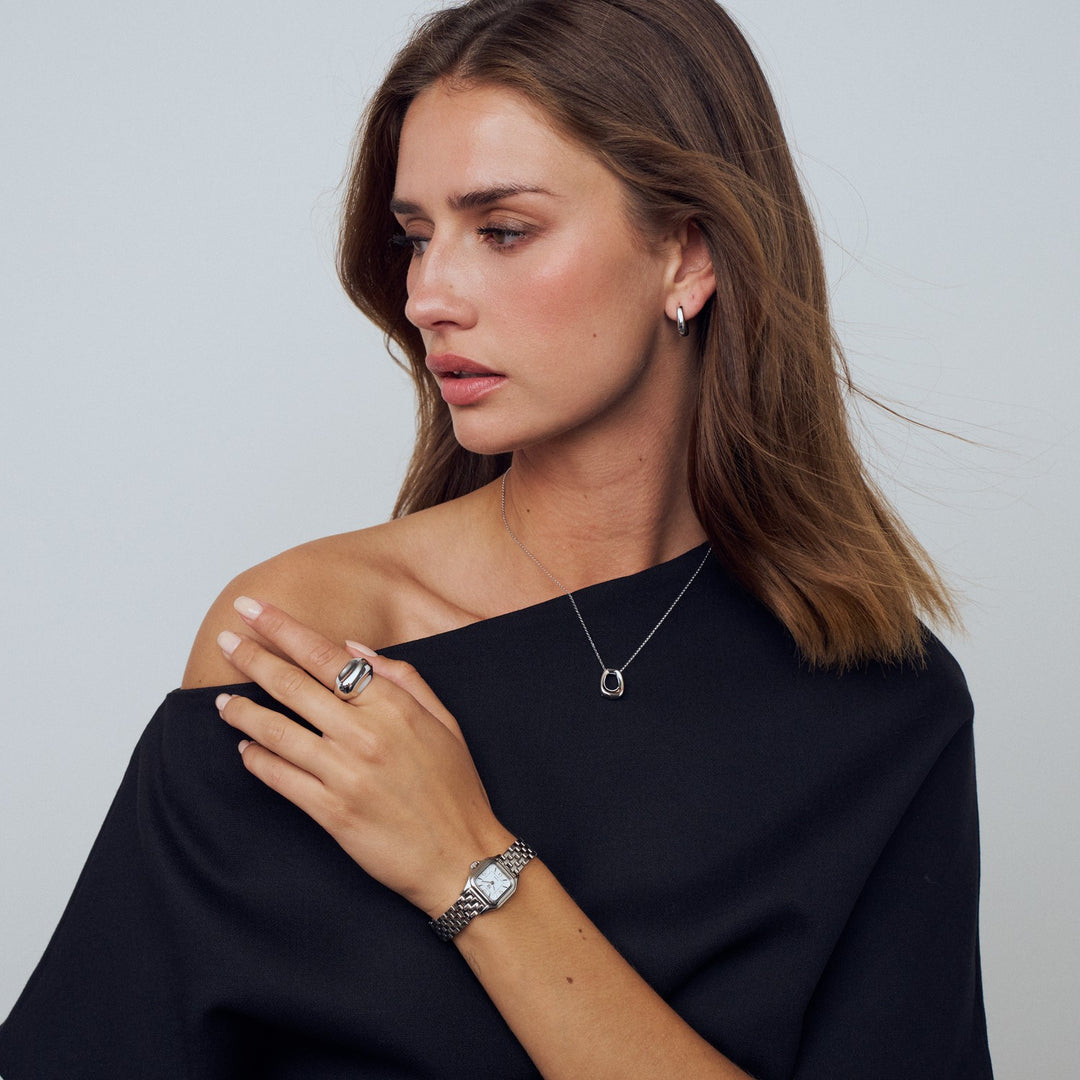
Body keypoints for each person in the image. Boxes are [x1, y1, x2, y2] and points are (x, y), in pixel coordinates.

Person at [0, 0, 993, 1077]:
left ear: (687, 255)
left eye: (503, 230)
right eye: (414, 237)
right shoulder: (309, 650)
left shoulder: (884, 705)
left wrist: (468, 861)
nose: (428, 295)